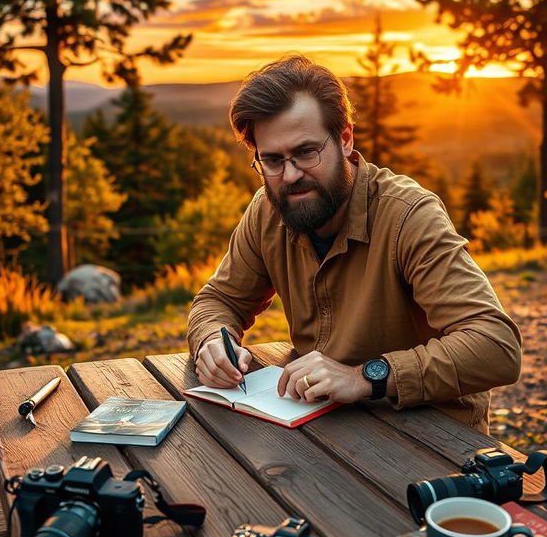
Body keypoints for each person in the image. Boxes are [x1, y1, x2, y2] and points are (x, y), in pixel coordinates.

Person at [187, 55, 521, 432]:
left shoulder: (409, 216)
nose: (290, 175)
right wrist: (213, 341)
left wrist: (365, 377)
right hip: (323, 424)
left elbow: (496, 347)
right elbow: (220, 300)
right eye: (272, 160)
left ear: (345, 139)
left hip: (428, 433)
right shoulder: (267, 210)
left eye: (306, 152)